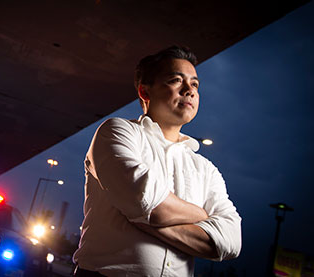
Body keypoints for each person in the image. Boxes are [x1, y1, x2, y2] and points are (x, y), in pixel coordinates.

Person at [72, 46, 242, 276]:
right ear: (145, 92)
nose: (189, 90)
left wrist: (145, 222)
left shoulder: (206, 170)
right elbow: (147, 203)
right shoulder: (118, 132)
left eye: (195, 84)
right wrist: (202, 215)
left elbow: (230, 241)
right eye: (176, 80)